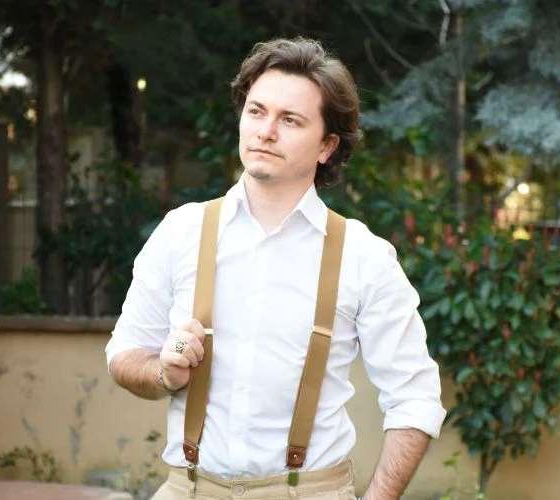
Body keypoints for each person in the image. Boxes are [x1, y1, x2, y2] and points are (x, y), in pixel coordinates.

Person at [106, 37, 446, 500]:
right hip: (187, 489)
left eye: (290, 120)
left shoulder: (364, 257)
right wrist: (163, 373)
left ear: (326, 146)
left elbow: (415, 398)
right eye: (256, 111)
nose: (265, 131)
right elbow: (124, 355)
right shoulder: (181, 232)